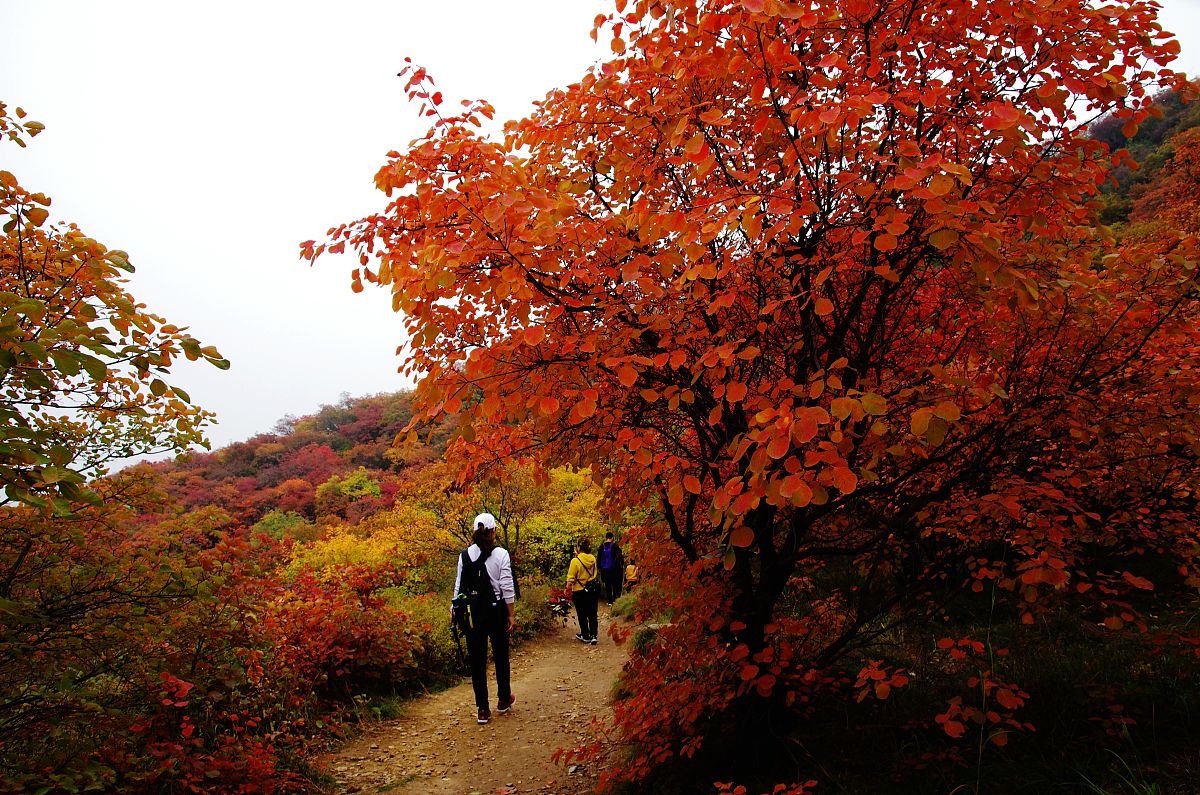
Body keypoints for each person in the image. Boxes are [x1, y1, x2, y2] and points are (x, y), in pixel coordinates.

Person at [451, 512, 516, 725]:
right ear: (494, 531)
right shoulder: (501, 554)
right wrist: (511, 614)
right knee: (501, 656)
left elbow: (459, 585)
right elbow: (507, 587)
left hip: (472, 614)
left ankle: (482, 709)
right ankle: (503, 699)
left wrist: (454, 608)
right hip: (496, 612)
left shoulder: (464, 555)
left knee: (477, 662)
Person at [566, 539, 599, 644]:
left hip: (579, 590)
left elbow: (571, 577)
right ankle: (593, 635)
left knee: (582, 614)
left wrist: (567, 587)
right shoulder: (593, 558)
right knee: (592, 613)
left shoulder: (575, 561)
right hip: (592, 589)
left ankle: (585, 635)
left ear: (579, 548)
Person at [597, 531, 624, 605]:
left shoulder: (601, 546)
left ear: (606, 538)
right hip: (614, 569)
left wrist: (599, 568)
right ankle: (615, 599)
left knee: (607, 585)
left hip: (604, 570)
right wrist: (621, 564)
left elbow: (598, 558)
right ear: (612, 538)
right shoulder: (615, 546)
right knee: (615, 584)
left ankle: (609, 601)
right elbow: (620, 556)